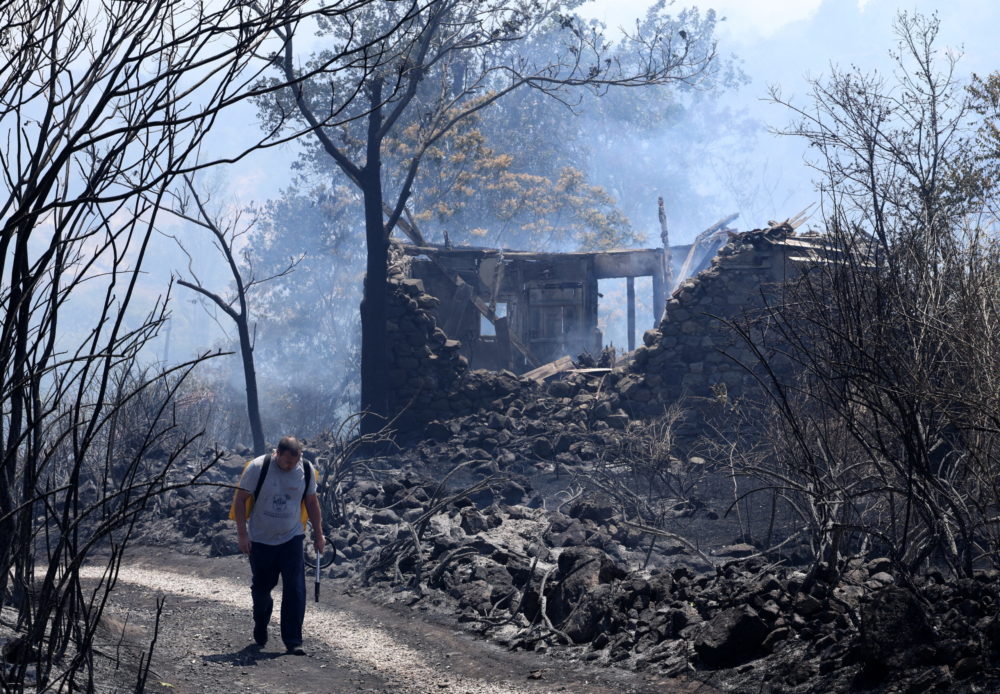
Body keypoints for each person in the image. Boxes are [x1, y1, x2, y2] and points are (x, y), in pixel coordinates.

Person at [233, 436, 325, 655]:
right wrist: (242, 535)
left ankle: (293, 640)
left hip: (292, 538)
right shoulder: (258, 467)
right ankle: (261, 620)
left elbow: (311, 502)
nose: (289, 466)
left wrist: (319, 535)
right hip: (261, 540)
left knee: (295, 588)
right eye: (285, 462)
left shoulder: (305, 468)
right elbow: (240, 500)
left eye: (293, 463)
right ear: (277, 454)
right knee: (262, 590)